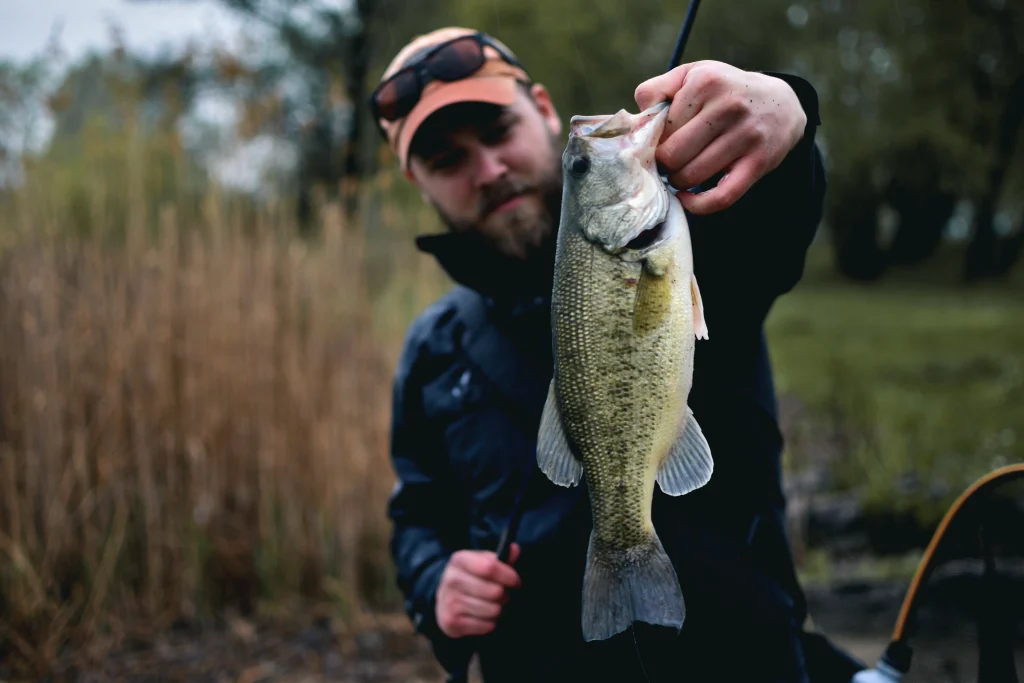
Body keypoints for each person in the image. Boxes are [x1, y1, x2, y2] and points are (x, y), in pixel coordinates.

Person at [375, 25, 865, 683]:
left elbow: (774, 230)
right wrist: (435, 580)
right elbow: (419, 511)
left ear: (543, 109)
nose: (488, 170)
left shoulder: (699, 237)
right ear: (418, 182)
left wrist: (790, 117)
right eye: (446, 160)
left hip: (742, 660)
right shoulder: (436, 349)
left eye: (497, 130)